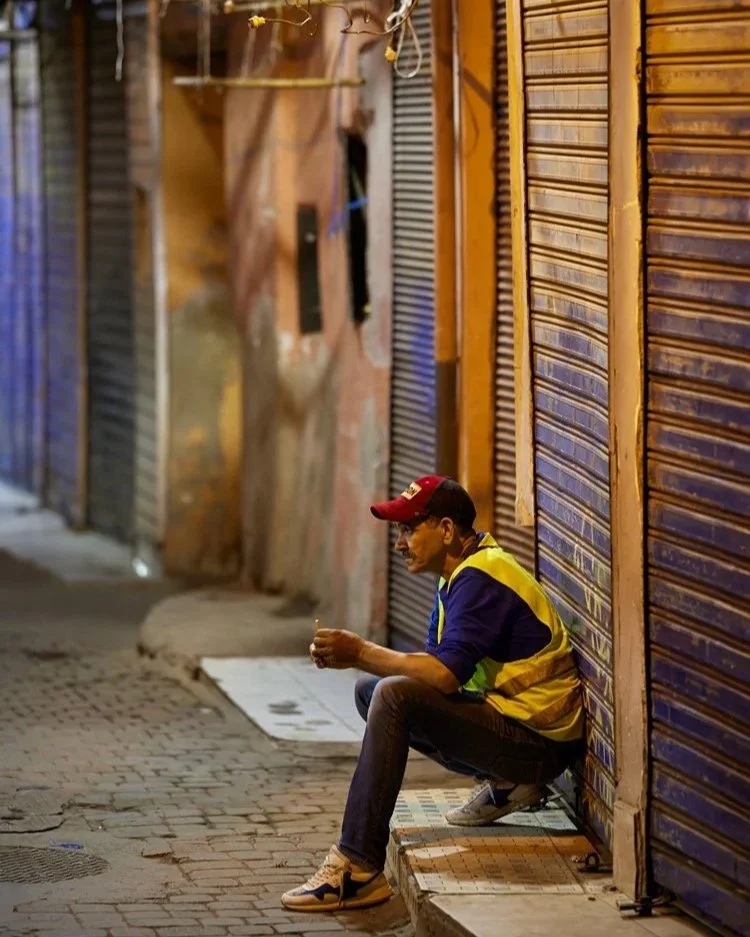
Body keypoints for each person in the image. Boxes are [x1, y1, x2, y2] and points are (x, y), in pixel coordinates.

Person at [281, 475, 584, 913]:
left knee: (392, 697)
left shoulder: (482, 577)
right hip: (519, 730)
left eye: (408, 529)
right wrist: (356, 658)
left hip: (541, 746)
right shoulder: (456, 577)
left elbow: (442, 677)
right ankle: (509, 781)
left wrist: (361, 650)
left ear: (445, 530)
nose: (400, 543)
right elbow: (432, 671)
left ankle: (358, 867)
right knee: (373, 693)